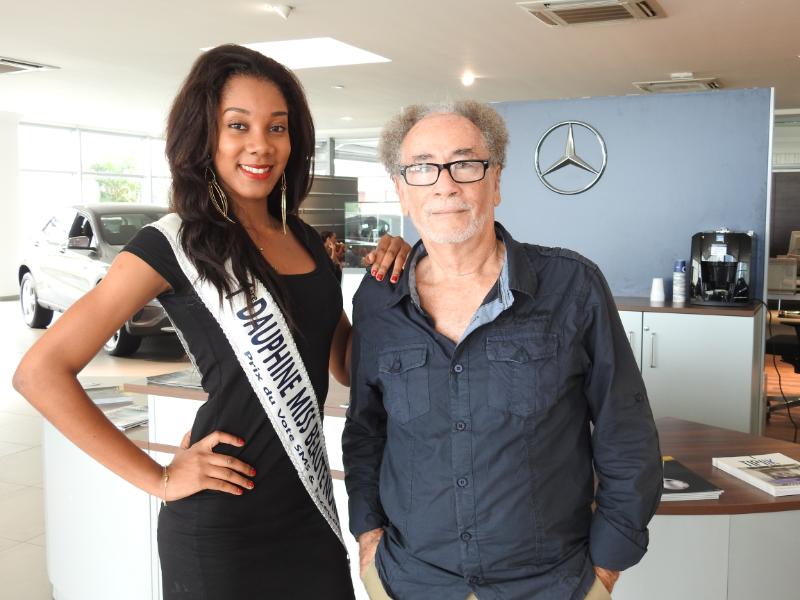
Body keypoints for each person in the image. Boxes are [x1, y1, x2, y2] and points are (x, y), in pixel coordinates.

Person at [13, 44, 410, 599]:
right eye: (237, 125)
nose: (261, 145)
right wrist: (159, 477)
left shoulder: (304, 239)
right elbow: (39, 372)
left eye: (277, 127)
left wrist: (390, 280)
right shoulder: (173, 243)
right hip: (222, 529)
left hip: (309, 516)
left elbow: (344, 363)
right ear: (203, 135)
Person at [342, 100, 663, 600]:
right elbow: (366, 431)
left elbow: (626, 431)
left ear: (495, 182)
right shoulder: (377, 301)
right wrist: (367, 537)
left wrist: (608, 563)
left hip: (551, 584)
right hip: (412, 580)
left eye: (465, 164)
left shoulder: (572, 286)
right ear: (402, 191)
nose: (445, 184)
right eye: (422, 168)